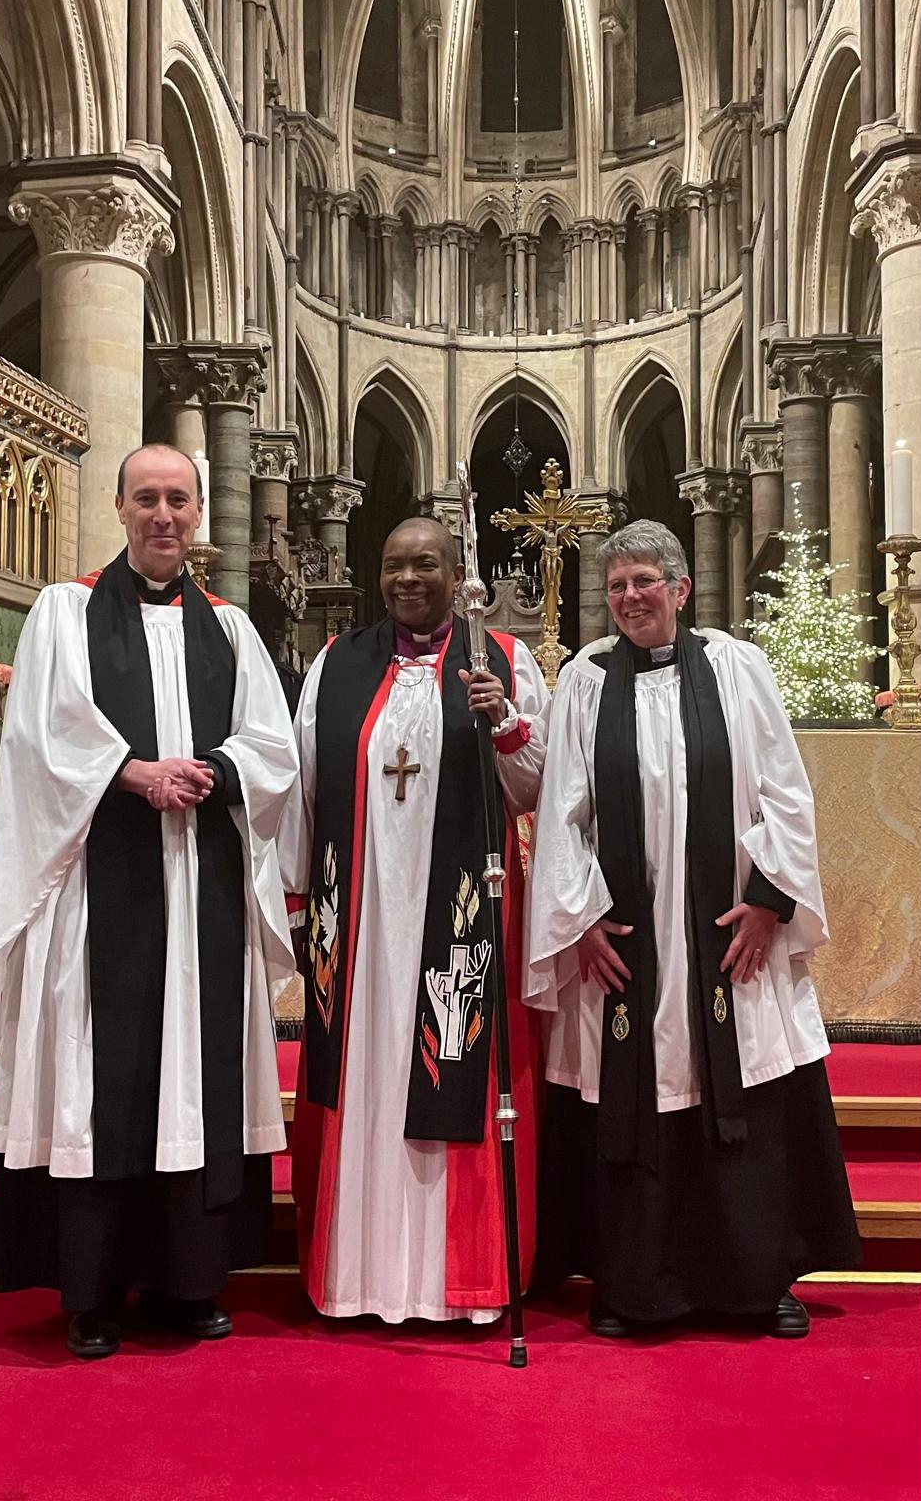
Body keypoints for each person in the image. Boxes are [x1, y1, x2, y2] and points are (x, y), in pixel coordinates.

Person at [0, 444, 299, 1359]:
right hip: (96, 886)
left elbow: (274, 747)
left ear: (198, 515)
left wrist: (218, 769)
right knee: (100, 1073)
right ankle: (94, 1291)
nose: (164, 515)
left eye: (179, 500)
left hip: (201, 892)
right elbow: (42, 732)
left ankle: (189, 1282)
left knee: (193, 1070)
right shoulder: (65, 611)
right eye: (146, 498)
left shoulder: (228, 629)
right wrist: (131, 773)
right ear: (118, 508)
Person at [525, 519, 860, 1339]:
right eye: (616, 587)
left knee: (740, 1079)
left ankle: (757, 1279)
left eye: (645, 581)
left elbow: (784, 789)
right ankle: (634, 1286)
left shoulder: (738, 668)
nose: (631, 598)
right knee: (636, 1087)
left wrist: (770, 901)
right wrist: (582, 920)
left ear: (680, 588)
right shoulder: (585, 679)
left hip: (726, 934)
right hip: (628, 940)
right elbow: (563, 810)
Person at [279, 517, 550, 1324]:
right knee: (360, 1071)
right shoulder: (336, 665)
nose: (408, 579)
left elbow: (539, 788)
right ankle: (356, 1275)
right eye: (394, 565)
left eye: (425, 564)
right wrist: (299, 905)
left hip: (456, 922)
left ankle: (455, 1282)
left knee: (450, 1062)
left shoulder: (502, 658)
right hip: (357, 926)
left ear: (455, 570)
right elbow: (302, 790)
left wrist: (503, 720)